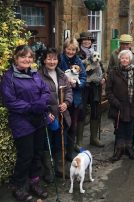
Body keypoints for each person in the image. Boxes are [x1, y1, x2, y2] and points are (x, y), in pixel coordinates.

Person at [1, 45, 50, 201]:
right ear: (16, 58)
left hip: (38, 120)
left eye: (30, 57)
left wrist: (41, 104)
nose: (27, 60)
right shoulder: (9, 77)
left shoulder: (35, 74)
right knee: (25, 156)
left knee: (37, 153)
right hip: (22, 122)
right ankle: (18, 185)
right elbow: (10, 101)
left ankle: (34, 182)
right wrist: (31, 107)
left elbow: (46, 91)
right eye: (23, 56)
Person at [38, 48, 73, 180]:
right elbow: (36, 96)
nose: (52, 61)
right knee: (47, 145)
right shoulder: (38, 75)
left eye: (55, 59)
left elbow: (69, 91)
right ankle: (48, 172)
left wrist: (67, 103)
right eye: (49, 58)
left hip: (61, 115)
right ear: (44, 60)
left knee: (60, 143)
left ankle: (59, 169)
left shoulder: (62, 74)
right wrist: (45, 112)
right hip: (48, 116)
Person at [108, 34, 134, 151]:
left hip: (132, 98)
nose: (125, 45)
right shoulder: (114, 54)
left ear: (131, 44)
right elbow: (109, 69)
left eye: (127, 43)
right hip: (118, 93)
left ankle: (132, 144)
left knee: (132, 124)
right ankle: (119, 147)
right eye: (123, 43)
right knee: (118, 124)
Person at [106, 50, 134, 161]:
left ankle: (129, 148)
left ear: (130, 60)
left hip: (131, 106)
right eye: (122, 58)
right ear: (119, 59)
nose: (124, 60)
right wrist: (115, 102)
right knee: (119, 129)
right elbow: (108, 90)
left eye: (126, 58)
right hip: (118, 106)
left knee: (130, 128)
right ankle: (119, 149)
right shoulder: (113, 72)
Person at [58, 38, 87, 161]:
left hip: (75, 100)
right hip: (62, 98)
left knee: (72, 127)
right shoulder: (59, 59)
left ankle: (69, 153)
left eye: (73, 49)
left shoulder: (78, 61)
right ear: (65, 48)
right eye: (68, 49)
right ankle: (60, 153)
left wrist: (77, 84)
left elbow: (84, 77)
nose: (70, 51)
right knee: (62, 127)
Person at [76, 31, 105, 150]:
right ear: (81, 41)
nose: (87, 41)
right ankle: (79, 141)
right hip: (83, 86)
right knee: (82, 112)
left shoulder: (95, 53)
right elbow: (77, 69)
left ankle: (93, 138)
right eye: (85, 40)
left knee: (96, 111)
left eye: (89, 39)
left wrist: (103, 77)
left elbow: (101, 67)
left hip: (95, 86)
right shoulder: (77, 53)